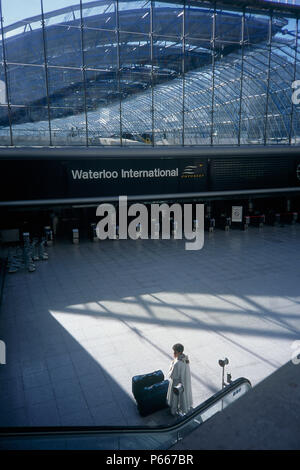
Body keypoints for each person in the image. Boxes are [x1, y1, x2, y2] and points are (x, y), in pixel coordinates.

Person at [167, 343, 193, 416]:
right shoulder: (185, 358)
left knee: (175, 398)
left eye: (175, 352)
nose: (174, 353)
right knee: (184, 396)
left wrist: (172, 364)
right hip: (185, 381)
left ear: (179, 352)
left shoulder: (177, 363)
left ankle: (173, 411)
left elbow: (172, 375)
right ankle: (185, 407)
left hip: (177, 383)